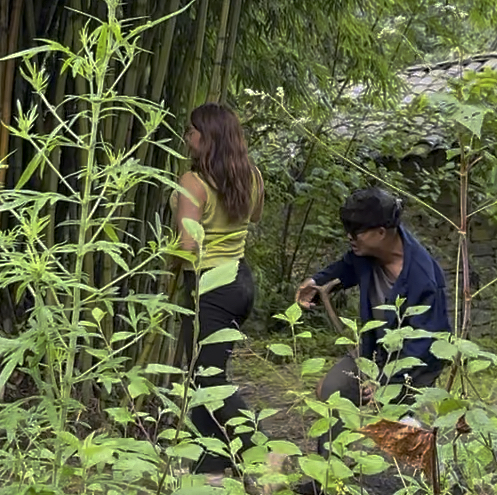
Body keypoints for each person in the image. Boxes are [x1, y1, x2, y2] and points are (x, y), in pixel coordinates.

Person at [295, 186, 451, 464]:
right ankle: (333, 474)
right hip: (374, 351)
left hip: (415, 365)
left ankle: (443, 482)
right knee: (332, 389)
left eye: (356, 232)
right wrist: (316, 284)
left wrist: (383, 382)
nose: (350, 238)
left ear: (381, 232)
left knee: (407, 430)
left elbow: (426, 342)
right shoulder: (364, 253)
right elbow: (345, 268)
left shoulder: (423, 277)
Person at [172, 103, 265, 471]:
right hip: (240, 282)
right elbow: (254, 215)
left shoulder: (193, 182)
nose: (187, 137)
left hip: (209, 286)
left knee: (208, 378)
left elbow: (188, 245)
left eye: (192, 131)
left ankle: (261, 448)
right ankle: (209, 460)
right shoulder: (252, 176)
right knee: (203, 373)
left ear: (208, 138)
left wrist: (167, 270)